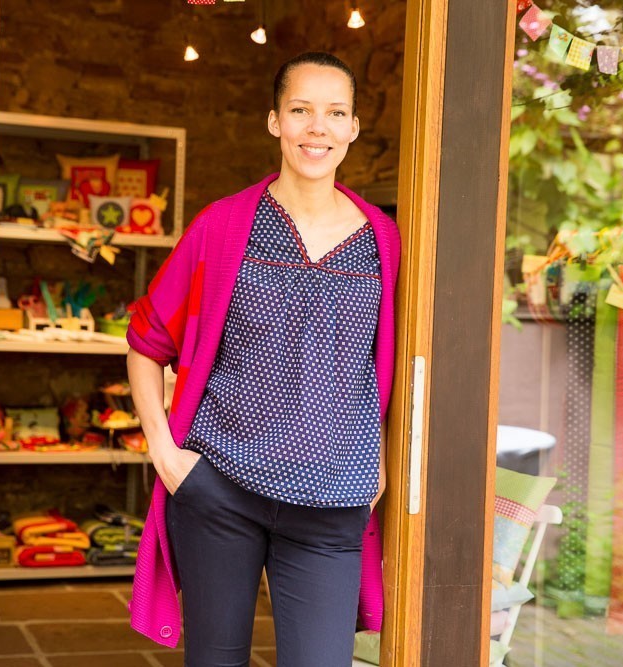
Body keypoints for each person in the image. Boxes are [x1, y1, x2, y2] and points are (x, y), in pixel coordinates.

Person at [126, 51, 401, 667]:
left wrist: (379, 463)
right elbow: (146, 341)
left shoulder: (383, 240)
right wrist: (165, 454)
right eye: (301, 110)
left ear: (354, 128)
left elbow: (389, 365)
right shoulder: (224, 226)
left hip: (334, 501)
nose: (317, 127)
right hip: (220, 490)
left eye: (335, 113)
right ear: (275, 121)